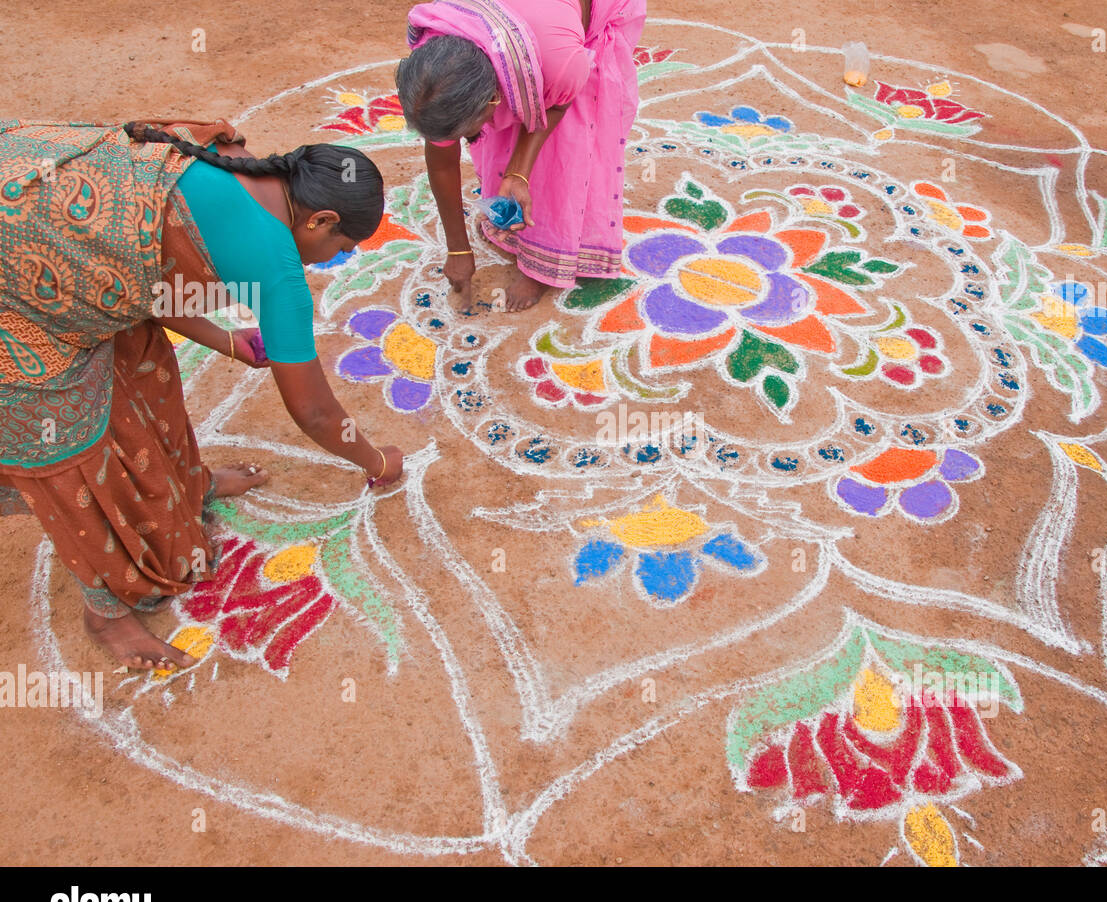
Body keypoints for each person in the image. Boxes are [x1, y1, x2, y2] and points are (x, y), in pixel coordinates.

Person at [0, 119, 404, 671]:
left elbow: (137, 262)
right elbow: (312, 411)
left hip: (31, 184)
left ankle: (189, 483)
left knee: (142, 363)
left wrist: (226, 341)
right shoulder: (275, 264)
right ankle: (106, 612)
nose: (331, 259)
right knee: (67, 450)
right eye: (338, 247)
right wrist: (378, 460)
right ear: (322, 219)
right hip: (16, 277)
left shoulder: (223, 157)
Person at [396, 0, 645, 312]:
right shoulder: (437, 60)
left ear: (495, 98)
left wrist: (519, 172)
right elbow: (441, 157)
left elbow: (559, 103)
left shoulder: (560, 63)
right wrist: (457, 249)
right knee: (509, 137)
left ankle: (545, 265)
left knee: (564, 149)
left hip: (569, 30)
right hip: (530, 33)